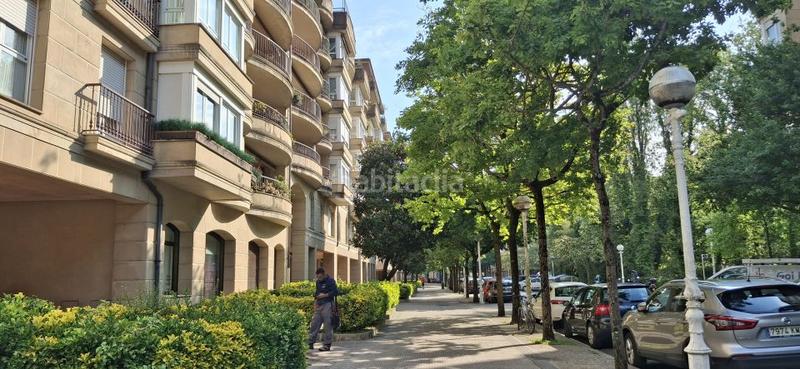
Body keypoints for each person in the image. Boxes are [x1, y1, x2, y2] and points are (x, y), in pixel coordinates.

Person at [308, 267, 338, 352]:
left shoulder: (331, 281)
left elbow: (335, 292)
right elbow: (316, 293)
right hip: (319, 304)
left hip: (328, 304)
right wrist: (315, 303)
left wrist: (324, 295)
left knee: (328, 325)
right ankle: (310, 342)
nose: (319, 278)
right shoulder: (318, 282)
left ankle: (327, 345)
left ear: (324, 274)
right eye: (318, 277)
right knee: (314, 323)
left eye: (320, 277)